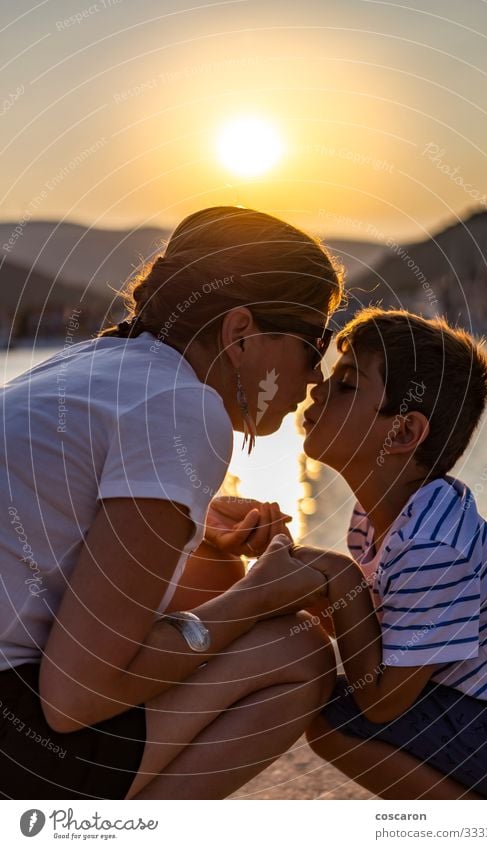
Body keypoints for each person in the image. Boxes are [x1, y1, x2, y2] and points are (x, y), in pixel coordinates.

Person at [0, 206, 344, 800]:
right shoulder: (183, 406)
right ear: (240, 333)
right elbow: (72, 698)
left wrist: (197, 537)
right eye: (316, 344)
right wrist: (260, 594)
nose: (318, 375)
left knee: (209, 582)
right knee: (295, 652)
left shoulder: (92, 367)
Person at [289, 307, 487, 800]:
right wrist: (298, 575)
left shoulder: (434, 547)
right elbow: (382, 631)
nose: (318, 388)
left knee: (340, 719)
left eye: (348, 385)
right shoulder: (385, 517)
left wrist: (337, 577)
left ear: (402, 433)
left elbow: (382, 703)